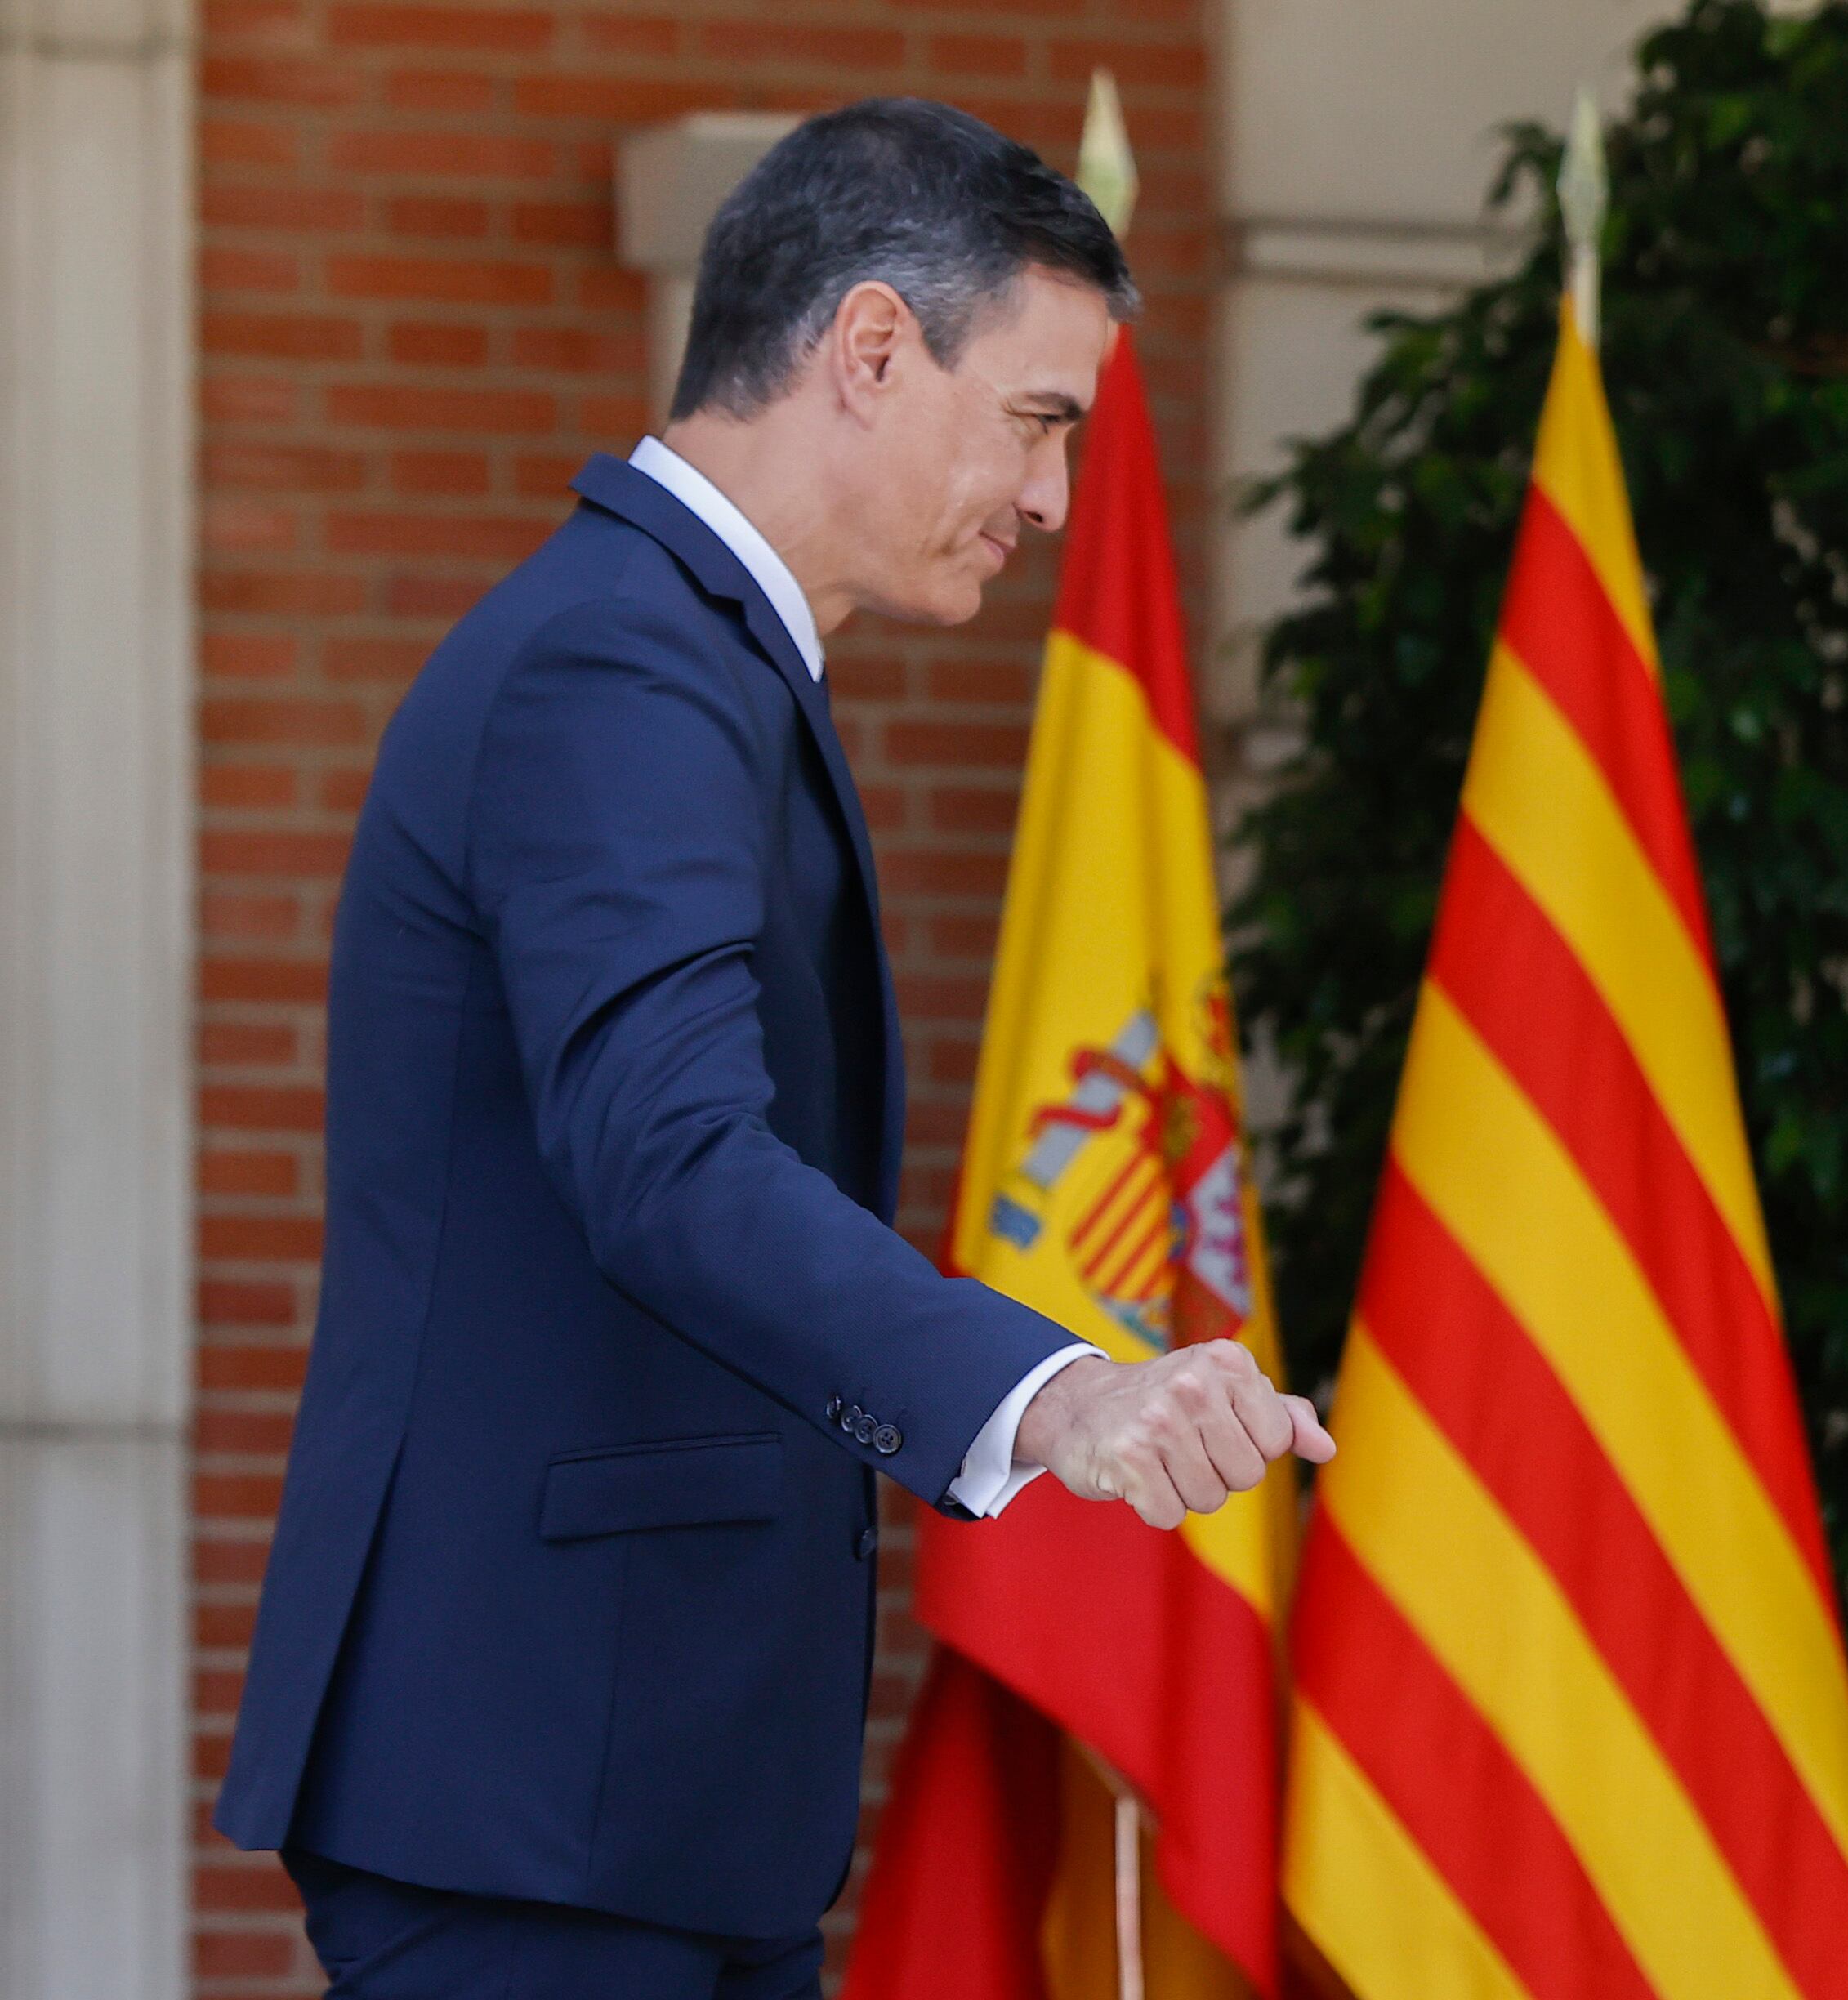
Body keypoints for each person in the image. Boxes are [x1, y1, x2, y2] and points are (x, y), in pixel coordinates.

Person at [214, 100, 1331, 1998]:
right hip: (540, 1808)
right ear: (871, 348)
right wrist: (1052, 1395)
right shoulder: (624, 660)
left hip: (628, 1800)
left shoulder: (684, 652)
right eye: (1039, 421)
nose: (1054, 499)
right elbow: (668, 1157)